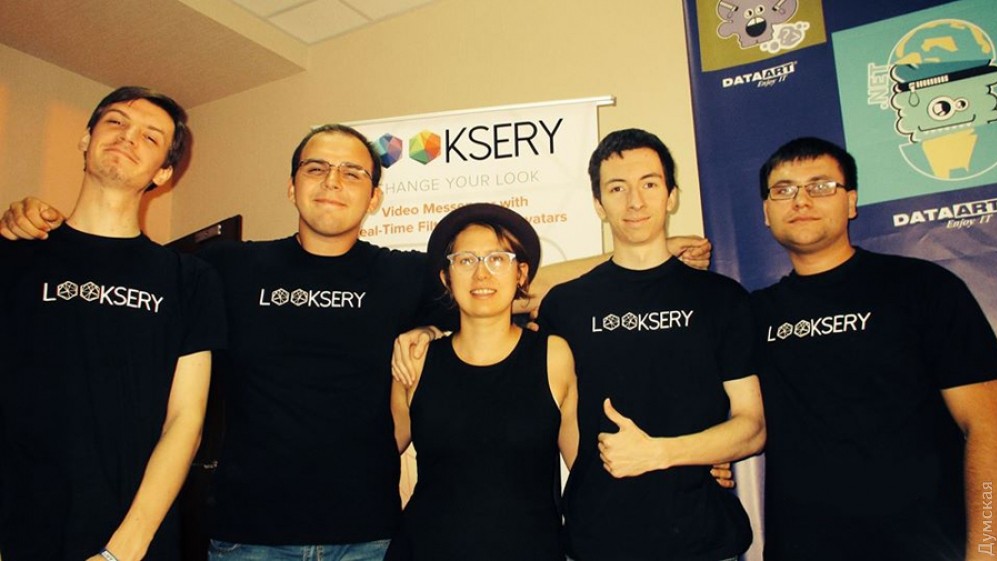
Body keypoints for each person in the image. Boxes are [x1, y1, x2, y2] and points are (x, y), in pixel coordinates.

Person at [2, 122, 714, 561]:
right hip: (248, 537)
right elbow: (132, 271)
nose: (333, 183)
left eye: (352, 173)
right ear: (291, 187)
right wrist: (37, 222)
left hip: (368, 537)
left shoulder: (403, 276)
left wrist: (640, 253)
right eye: (316, 168)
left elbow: (507, 286)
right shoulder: (224, 267)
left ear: (374, 196)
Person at [0, 87, 227, 561]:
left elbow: (186, 419)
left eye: (150, 136)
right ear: (86, 140)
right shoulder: (15, 253)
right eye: (116, 122)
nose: (128, 136)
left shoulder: (189, 278)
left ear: (163, 172)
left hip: (132, 543)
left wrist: (125, 548)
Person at [753, 136, 997, 561]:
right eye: (784, 190)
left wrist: (988, 546)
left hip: (925, 548)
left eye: (820, 186)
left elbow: (989, 424)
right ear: (766, 212)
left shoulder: (923, 288)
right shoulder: (751, 315)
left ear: (851, 202)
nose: (801, 200)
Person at [535, 129, 765, 561]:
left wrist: (661, 453)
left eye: (649, 184)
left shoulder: (721, 299)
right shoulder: (565, 306)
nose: (635, 202)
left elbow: (752, 426)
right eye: (617, 189)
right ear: (598, 204)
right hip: (598, 541)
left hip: (702, 540)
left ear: (671, 196)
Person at [385, 203, 577, 560]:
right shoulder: (418, 359)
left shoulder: (553, 356)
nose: (481, 274)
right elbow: (373, 453)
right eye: (466, 260)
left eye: (497, 259)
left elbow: (585, 471)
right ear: (447, 277)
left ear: (521, 275)